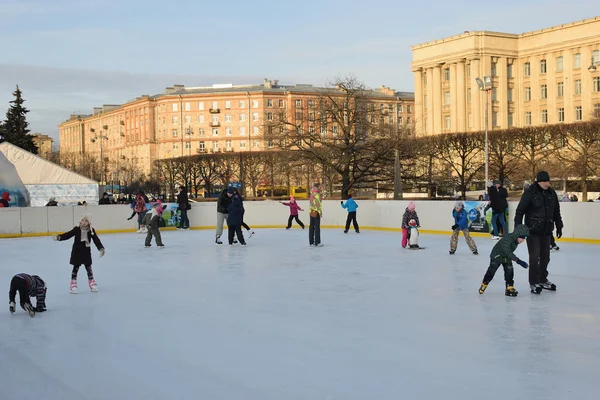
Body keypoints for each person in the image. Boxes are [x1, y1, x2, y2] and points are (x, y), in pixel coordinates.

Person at [514, 171, 563, 294]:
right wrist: (519, 231)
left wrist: (559, 225)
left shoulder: (551, 193)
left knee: (545, 257)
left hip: (546, 230)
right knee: (534, 257)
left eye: (548, 181)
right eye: (545, 181)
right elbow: (519, 213)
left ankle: (542, 279)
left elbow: (556, 211)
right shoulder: (530, 193)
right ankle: (534, 282)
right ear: (539, 182)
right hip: (532, 230)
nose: (548, 183)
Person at [53, 216, 105, 294]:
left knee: (88, 267)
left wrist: (101, 248)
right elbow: (68, 235)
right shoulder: (76, 229)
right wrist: (59, 237)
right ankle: (73, 283)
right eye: (82, 220)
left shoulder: (91, 231)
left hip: (86, 252)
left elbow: (96, 240)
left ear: (89, 223)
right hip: (77, 251)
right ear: (80, 222)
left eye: (86, 221)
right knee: (76, 267)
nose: (84, 222)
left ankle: (91, 281)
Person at [478, 225, 530, 297]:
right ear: (517, 235)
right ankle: (485, 283)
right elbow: (507, 251)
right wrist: (518, 261)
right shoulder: (508, 239)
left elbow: (508, 253)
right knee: (491, 271)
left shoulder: (515, 240)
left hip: (506, 257)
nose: (523, 240)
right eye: (522, 237)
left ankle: (509, 287)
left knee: (509, 270)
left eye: (525, 238)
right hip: (497, 256)